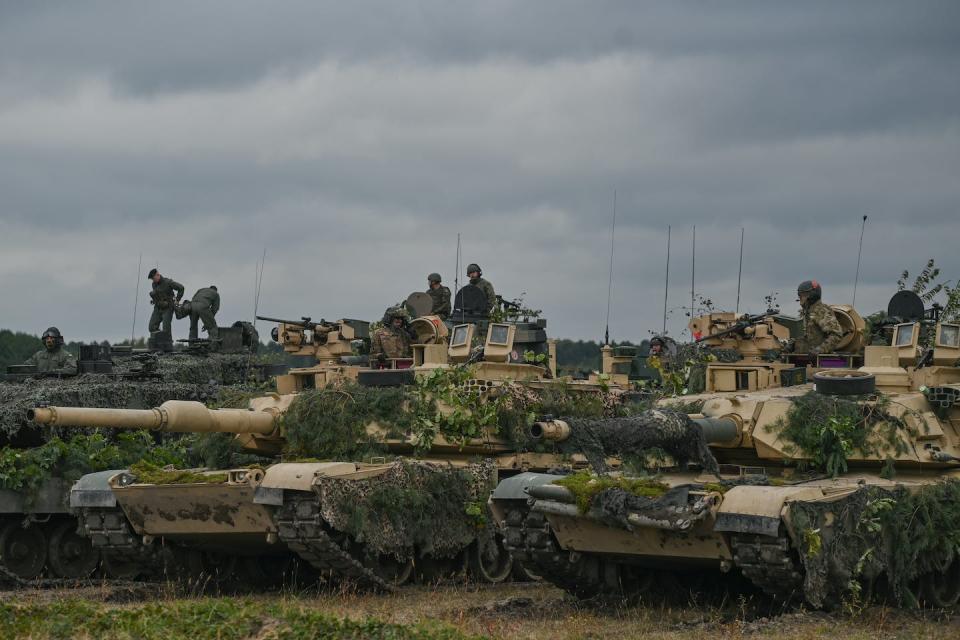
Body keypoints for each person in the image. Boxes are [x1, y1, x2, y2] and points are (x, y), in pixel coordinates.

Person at [794, 280, 844, 355]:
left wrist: (820, 350)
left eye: (803, 295)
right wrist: (792, 344)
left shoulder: (821, 311)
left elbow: (837, 334)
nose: (800, 298)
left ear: (811, 296)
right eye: (800, 295)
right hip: (803, 358)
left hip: (817, 361)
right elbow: (806, 336)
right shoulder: (806, 313)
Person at [147, 268, 185, 335]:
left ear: (158, 275)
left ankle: (167, 343)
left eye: (153, 278)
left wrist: (177, 300)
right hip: (158, 307)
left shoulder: (168, 282)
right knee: (152, 327)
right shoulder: (154, 284)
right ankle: (158, 341)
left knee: (166, 330)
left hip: (168, 308)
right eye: (152, 279)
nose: (153, 280)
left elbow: (181, 288)